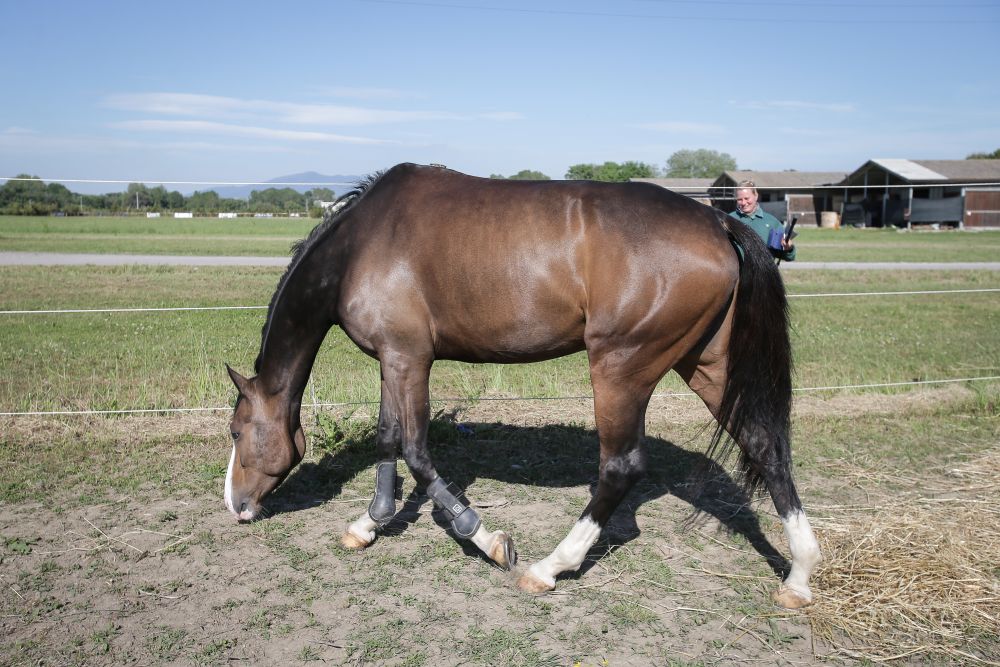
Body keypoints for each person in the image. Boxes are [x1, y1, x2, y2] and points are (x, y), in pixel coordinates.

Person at [729, 180, 795, 261]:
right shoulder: (729, 219)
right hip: (736, 273)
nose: (743, 202)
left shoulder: (772, 222)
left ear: (756, 196)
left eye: (747, 198)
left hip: (764, 273)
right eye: (739, 199)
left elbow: (789, 257)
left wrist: (789, 248)